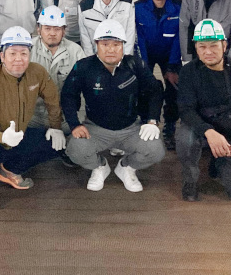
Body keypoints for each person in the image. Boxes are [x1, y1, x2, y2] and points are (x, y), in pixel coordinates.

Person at [0, 26, 66, 213]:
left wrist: (56, 127)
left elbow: (53, 101)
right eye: (12, 53)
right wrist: (2, 136)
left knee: (55, 144)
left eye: (23, 53)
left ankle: (10, 169)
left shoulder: (37, 73)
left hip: (20, 135)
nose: (18, 59)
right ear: (2, 56)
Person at [62, 20, 165, 192]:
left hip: (131, 127)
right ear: (96, 45)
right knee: (74, 150)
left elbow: (155, 90)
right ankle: (99, 167)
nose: (111, 49)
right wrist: (74, 124)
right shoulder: (84, 67)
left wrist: (152, 119)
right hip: (96, 127)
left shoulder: (135, 64)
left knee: (156, 150)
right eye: (105, 44)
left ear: (123, 45)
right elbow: (68, 95)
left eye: (116, 44)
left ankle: (126, 167)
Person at [175, 19, 231, 202]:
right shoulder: (188, 72)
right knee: (184, 138)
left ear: (224, 45)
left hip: (230, 131)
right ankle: (190, 180)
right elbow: (186, 110)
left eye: (214, 45)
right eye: (202, 46)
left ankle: (219, 163)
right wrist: (208, 131)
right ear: (196, 48)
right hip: (200, 129)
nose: (208, 52)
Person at [134, 0, 182, 150]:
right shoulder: (138, 8)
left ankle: (169, 127)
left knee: (173, 90)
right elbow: (139, 38)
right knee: (145, 87)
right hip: (147, 53)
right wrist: (144, 67)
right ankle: (146, 121)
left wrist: (171, 66)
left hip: (171, 54)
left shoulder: (179, 7)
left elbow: (180, 37)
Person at [28, 5, 85, 129]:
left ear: (64, 31)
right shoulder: (27, 50)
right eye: (47, 28)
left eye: (57, 29)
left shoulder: (76, 52)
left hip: (65, 118)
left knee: (77, 145)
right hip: (32, 118)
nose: (52, 33)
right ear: (39, 29)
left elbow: (87, 84)